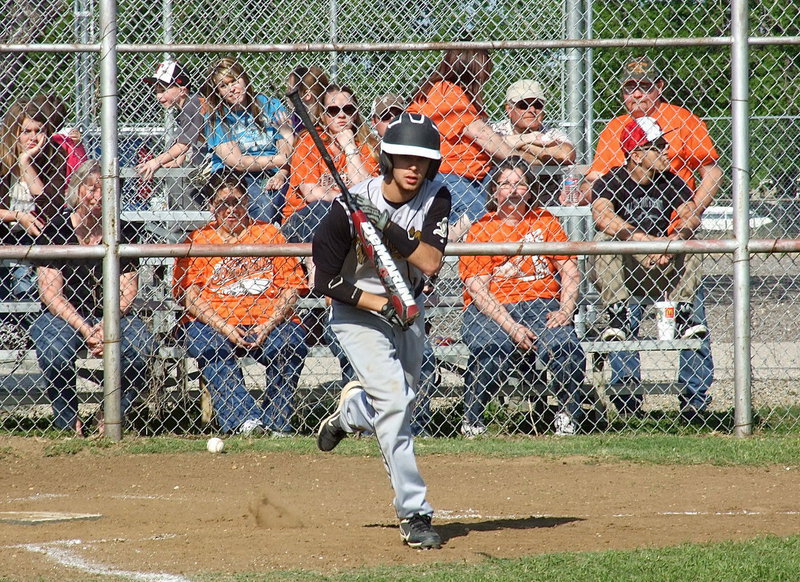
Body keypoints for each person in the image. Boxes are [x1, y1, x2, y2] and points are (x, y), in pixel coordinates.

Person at [312, 113, 450, 549]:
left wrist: (385, 226)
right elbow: (324, 281)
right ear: (387, 159)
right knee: (394, 401)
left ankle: (351, 414)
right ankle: (415, 513)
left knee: (399, 407)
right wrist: (376, 303)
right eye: (404, 159)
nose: (413, 168)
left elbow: (429, 261)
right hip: (359, 313)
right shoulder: (346, 206)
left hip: (408, 311)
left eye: (422, 161)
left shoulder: (435, 197)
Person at [585, 55, 722, 419]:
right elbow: (600, 196)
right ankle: (629, 400)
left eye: (646, 86)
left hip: (672, 244)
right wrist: (638, 239)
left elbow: (711, 171)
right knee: (623, 314)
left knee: (693, 318)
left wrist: (682, 226)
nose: (638, 94)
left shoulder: (683, 121)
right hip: (633, 251)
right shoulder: (615, 130)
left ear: (659, 88)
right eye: (631, 88)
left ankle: (695, 402)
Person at [173, 173, 308, 436]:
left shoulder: (268, 233)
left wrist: (267, 326)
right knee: (207, 344)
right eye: (222, 203)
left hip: (268, 319)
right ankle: (247, 422)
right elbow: (189, 295)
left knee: (292, 343)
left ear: (247, 201)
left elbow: (292, 287)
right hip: (214, 321)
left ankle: (275, 425)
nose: (231, 209)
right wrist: (224, 326)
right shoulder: (198, 239)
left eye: (236, 201)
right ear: (212, 206)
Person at [459, 156, 586, 437]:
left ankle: (567, 415)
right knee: (492, 348)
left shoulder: (545, 220)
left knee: (565, 347)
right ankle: (472, 420)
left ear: (529, 190)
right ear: (494, 191)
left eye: (520, 183)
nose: (514, 189)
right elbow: (478, 290)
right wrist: (511, 326)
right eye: (506, 184)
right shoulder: (481, 229)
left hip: (542, 304)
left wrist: (565, 310)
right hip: (493, 308)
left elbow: (569, 270)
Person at [30, 160, 154, 436]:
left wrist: (106, 325)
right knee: (54, 351)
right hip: (65, 315)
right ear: (77, 190)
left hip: (112, 314)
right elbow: (51, 295)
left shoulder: (126, 230)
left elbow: (127, 292)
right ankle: (68, 421)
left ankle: (109, 416)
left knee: (140, 348)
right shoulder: (57, 228)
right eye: (91, 189)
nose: (98, 197)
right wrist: (86, 329)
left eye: (105, 190)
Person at [407, 47, 519, 241]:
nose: (486, 78)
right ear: (470, 70)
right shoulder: (445, 90)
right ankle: (444, 243)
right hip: (447, 172)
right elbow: (481, 134)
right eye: (484, 71)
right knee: (478, 211)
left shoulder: (463, 96)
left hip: (476, 174)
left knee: (511, 198)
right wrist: (518, 160)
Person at [283, 84, 379, 244]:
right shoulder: (309, 141)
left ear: (355, 114)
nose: (341, 115)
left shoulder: (365, 145)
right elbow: (312, 193)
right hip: (302, 220)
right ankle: (314, 267)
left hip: (347, 218)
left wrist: (350, 148)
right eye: (333, 110)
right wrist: (349, 202)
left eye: (348, 109)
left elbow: (366, 191)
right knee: (322, 208)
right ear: (323, 115)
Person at [202, 57, 292, 225]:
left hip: (276, 172)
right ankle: (259, 247)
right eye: (223, 86)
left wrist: (282, 172)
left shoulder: (270, 104)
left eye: (234, 81)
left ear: (244, 79)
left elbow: (287, 144)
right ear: (217, 92)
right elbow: (238, 162)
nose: (231, 89)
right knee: (263, 205)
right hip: (235, 175)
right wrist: (279, 160)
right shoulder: (216, 118)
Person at [0, 96, 68, 304]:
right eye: (26, 131)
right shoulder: (1, 156)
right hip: (4, 231)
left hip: (38, 233)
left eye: (39, 131)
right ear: (14, 133)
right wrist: (17, 216)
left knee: (27, 294)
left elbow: (50, 207)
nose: (33, 137)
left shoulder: (55, 155)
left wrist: (25, 162)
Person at [490, 79, 576, 204]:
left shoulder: (551, 132)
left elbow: (565, 155)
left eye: (538, 105)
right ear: (509, 109)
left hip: (545, 202)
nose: (532, 110)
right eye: (523, 105)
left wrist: (517, 147)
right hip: (504, 202)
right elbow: (487, 151)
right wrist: (532, 140)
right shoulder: (495, 130)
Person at [136, 60, 206, 184]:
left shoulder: (191, 105)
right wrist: (179, 159)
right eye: (157, 90)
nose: (158, 95)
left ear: (182, 90)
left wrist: (155, 162)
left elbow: (183, 145)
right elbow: (192, 136)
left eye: (163, 90)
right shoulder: (191, 102)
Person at [285, 65, 330, 139]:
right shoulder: (296, 119)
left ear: (307, 95)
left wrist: (287, 135)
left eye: (290, 89)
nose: (286, 93)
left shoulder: (329, 121)